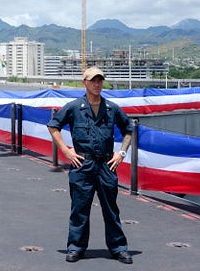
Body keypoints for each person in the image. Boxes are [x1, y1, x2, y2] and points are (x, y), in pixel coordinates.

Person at [47, 66, 134, 264]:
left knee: (111, 209)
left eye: (100, 80)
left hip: (105, 165)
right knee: (79, 208)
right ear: (84, 83)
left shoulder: (111, 108)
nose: (97, 84)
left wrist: (121, 153)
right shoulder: (74, 107)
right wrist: (67, 151)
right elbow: (53, 126)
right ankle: (76, 247)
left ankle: (118, 248)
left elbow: (129, 129)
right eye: (93, 80)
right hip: (82, 165)